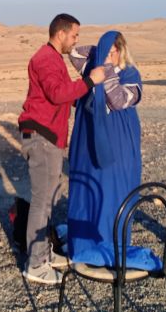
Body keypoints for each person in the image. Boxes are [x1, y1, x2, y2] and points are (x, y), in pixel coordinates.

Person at [18, 13, 106, 284]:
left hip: (49, 136)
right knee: (42, 202)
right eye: (74, 35)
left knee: (47, 201)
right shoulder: (45, 59)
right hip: (42, 136)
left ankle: (44, 253)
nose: (76, 40)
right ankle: (35, 265)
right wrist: (90, 80)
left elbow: (62, 93)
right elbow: (58, 93)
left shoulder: (52, 58)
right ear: (61, 33)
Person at [66, 31, 159, 269]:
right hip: (87, 142)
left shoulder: (130, 73)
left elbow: (117, 101)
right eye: (106, 51)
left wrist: (105, 69)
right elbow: (74, 52)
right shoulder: (92, 69)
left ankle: (111, 246)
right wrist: (101, 49)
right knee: (87, 190)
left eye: (114, 51)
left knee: (114, 191)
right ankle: (85, 248)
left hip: (118, 143)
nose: (109, 55)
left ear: (122, 51)